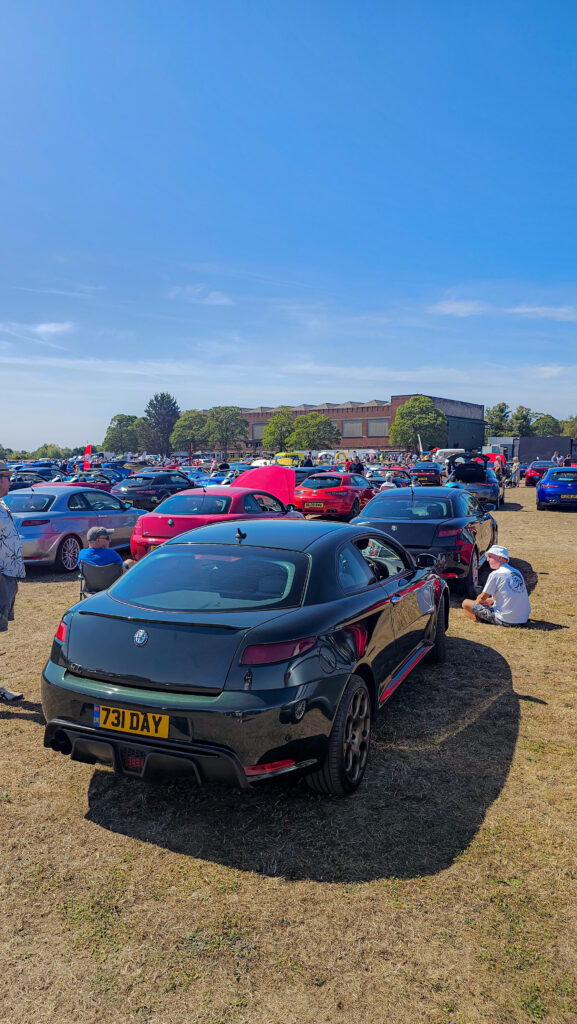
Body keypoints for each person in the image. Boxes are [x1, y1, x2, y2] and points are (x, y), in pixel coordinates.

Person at [0, 461, 25, 701]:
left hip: (7, 576)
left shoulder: (2, 504)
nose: (10, 482)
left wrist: (13, 577)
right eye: (8, 478)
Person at [462, 545, 531, 626]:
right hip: (523, 618)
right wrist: (492, 600)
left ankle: (479, 617)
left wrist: (476, 605)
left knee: (466, 604)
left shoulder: (496, 574)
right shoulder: (516, 572)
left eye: (490, 556)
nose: (487, 559)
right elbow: (510, 594)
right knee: (473, 607)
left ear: (500, 558)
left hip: (506, 619)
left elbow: (482, 598)